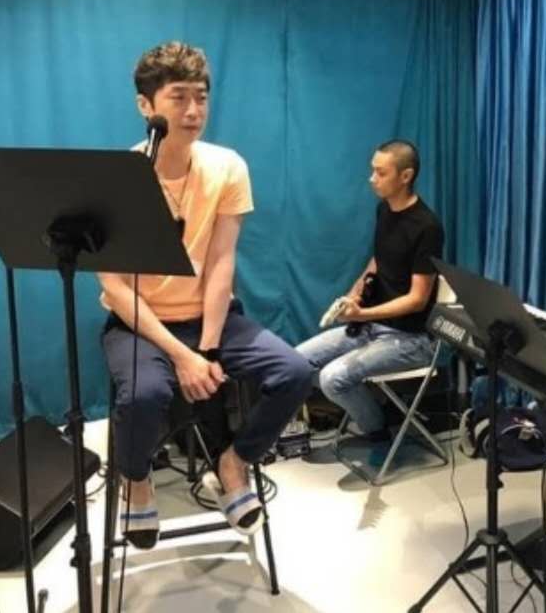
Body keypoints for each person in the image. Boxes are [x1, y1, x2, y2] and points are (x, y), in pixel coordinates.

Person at [98, 41, 313, 549]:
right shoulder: (118, 177)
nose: (194, 110)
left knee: (295, 373)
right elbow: (115, 285)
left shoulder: (227, 167)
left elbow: (220, 263)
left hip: (213, 318)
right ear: (146, 105)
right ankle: (136, 478)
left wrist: (209, 349)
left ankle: (233, 462)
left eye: (201, 97)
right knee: (145, 395)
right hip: (139, 324)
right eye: (179, 97)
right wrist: (183, 356)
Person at [296, 140, 444, 445]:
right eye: (372, 171)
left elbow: (417, 300)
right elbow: (378, 260)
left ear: (405, 176)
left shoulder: (427, 227)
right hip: (372, 327)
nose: (372, 178)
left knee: (332, 378)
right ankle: (382, 412)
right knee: (296, 363)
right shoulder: (384, 210)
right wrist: (354, 295)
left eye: (381, 172)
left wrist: (362, 314)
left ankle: (378, 431)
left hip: (412, 339)